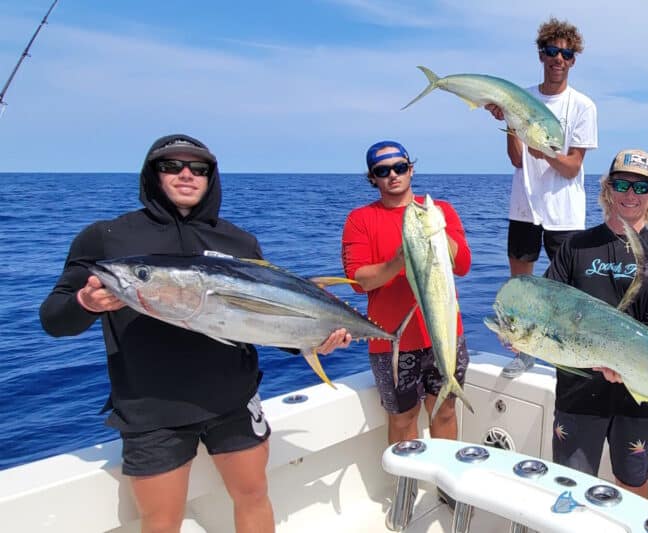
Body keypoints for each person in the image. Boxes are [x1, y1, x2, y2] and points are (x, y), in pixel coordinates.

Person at [39, 133, 352, 533]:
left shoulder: (238, 240)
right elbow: (53, 319)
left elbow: (260, 320)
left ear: (211, 176)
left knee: (254, 497)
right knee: (161, 521)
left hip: (235, 399)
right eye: (171, 165)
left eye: (198, 167)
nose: (186, 174)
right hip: (151, 410)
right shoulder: (108, 239)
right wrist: (84, 303)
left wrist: (315, 340)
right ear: (152, 174)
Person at [541, 149, 648, 498]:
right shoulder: (575, 246)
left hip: (638, 392)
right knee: (569, 486)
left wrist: (622, 363)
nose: (630, 195)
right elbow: (546, 306)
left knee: (633, 485)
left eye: (641, 187)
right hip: (578, 390)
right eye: (621, 184)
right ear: (607, 190)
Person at [486, 17, 599, 378]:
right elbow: (517, 159)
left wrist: (545, 152)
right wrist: (509, 125)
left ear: (573, 60)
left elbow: (571, 167)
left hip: (565, 215)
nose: (558, 59)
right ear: (541, 54)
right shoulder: (521, 98)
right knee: (521, 287)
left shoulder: (583, 107)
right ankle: (523, 352)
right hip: (524, 209)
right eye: (552, 51)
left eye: (566, 53)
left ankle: (570, 358)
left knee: (568, 291)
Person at [341, 140, 472, 446]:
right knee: (402, 419)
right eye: (382, 171)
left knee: (446, 412)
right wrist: (400, 259)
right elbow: (358, 281)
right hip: (392, 342)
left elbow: (463, 265)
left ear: (411, 169)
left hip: (445, 334)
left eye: (400, 167)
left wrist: (436, 233)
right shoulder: (359, 220)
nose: (393, 175)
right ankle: (406, 491)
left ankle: (446, 489)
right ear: (372, 178)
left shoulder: (440, 211)